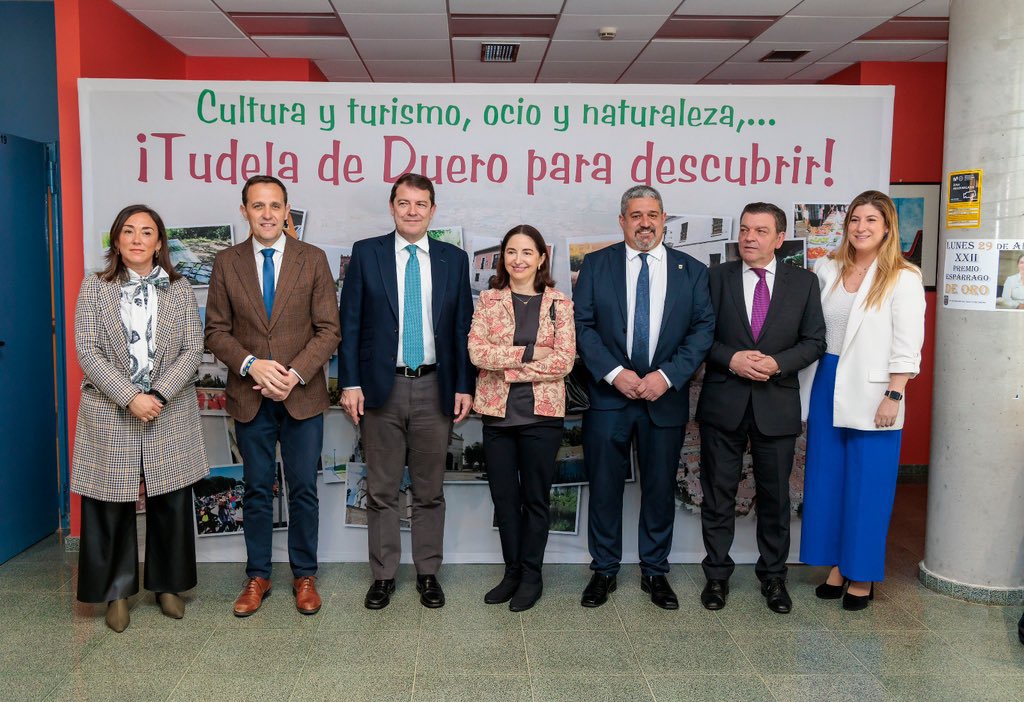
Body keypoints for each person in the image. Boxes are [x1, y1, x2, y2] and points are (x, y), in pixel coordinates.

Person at [205, 175, 341, 617]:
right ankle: (258, 576)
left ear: (287, 211)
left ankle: (304, 575)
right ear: (243, 210)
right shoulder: (226, 262)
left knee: (304, 489)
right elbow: (216, 332)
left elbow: (329, 330)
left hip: (302, 396)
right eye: (257, 205)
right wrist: (251, 365)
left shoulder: (313, 259)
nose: (267, 214)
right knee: (256, 490)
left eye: (275, 205)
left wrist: (294, 373)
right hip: (250, 396)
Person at [573, 185, 715, 609]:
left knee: (657, 490)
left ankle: (654, 571)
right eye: (636, 215)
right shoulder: (596, 266)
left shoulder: (692, 270)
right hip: (609, 399)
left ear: (664, 218)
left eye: (652, 214)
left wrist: (666, 377)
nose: (645, 222)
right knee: (604, 488)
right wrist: (616, 375)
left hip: (663, 400)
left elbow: (703, 330)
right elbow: (583, 327)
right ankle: (604, 571)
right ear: (622, 221)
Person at [338, 172, 474, 610]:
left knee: (430, 490)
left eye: (421, 204)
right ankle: (383, 576)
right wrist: (351, 383)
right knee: (381, 489)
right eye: (404, 203)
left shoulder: (454, 259)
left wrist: (464, 386)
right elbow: (351, 323)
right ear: (392, 207)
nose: (412, 211)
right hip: (382, 387)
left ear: (433, 210)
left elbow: (461, 330)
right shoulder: (366, 253)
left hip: (435, 387)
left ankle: (428, 573)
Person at [72, 204, 208, 632]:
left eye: (146, 232)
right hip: (111, 409)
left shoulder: (181, 288)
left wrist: (160, 394)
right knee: (109, 502)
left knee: (170, 499)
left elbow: (193, 348)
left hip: (168, 409)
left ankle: (168, 585)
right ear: (116, 240)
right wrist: (131, 396)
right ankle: (116, 592)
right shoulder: (94, 287)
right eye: (128, 231)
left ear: (159, 243)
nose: (136, 239)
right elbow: (88, 351)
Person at [695, 202, 826, 614]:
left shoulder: (804, 283)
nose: (750, 238)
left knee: (775, 500)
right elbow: (699, 336)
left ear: (780, 239)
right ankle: (716, 578)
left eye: (761, 231)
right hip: (724, 403)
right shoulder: (714, 278)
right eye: (745, 229)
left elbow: (815, 341)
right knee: (717, 496)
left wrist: (778, 363)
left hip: (777, 405)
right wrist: (731, 358)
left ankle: (774, 579)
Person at [800, 190, 926, 611]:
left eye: (871, 220)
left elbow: (909, 346)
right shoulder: (827, 267)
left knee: (868, 487)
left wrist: (894, 394)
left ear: (888, 227)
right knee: (827, 481)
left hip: (877, 392)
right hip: (826, 382)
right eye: (855, 219)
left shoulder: (903, 277)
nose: (861, 227)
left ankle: (863, 575)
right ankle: (837, 566)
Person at [468, 225, 575, 612]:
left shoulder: (559, 303)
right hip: (497, 415)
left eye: (527, 252)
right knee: (504, 499)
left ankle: (532, 575)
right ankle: (512, 571)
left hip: (542, 418)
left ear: (541, 258)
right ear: (502, 257)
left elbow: (563, 361)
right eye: (511, 252)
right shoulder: (488, 299)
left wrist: (508, 361)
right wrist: (532, 354)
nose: (518, 260)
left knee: (535, 500)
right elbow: (477, 354)